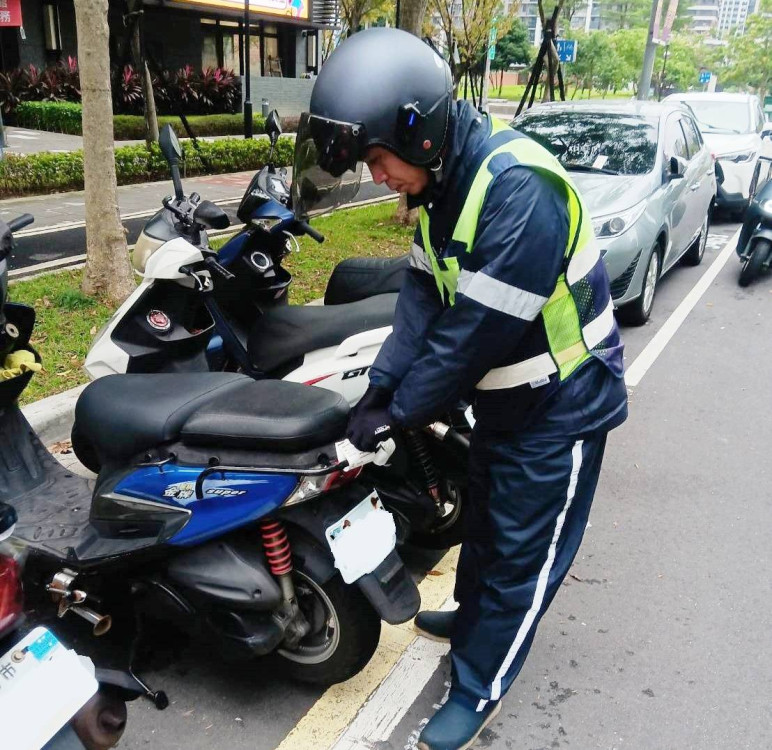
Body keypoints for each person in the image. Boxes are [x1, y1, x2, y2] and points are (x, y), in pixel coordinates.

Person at [294, 27, 628, 750]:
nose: (377, 177)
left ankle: (480, 686)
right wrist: (380, 387)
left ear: (417, 134)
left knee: (521, 557)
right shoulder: (444, 185)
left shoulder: (518, 190)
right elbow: (421, 296)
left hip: (561, 403)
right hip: (506, 399)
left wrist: (400, 413)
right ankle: (475, 616)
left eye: (379, 160)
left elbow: (469, 335)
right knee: (484, 524)